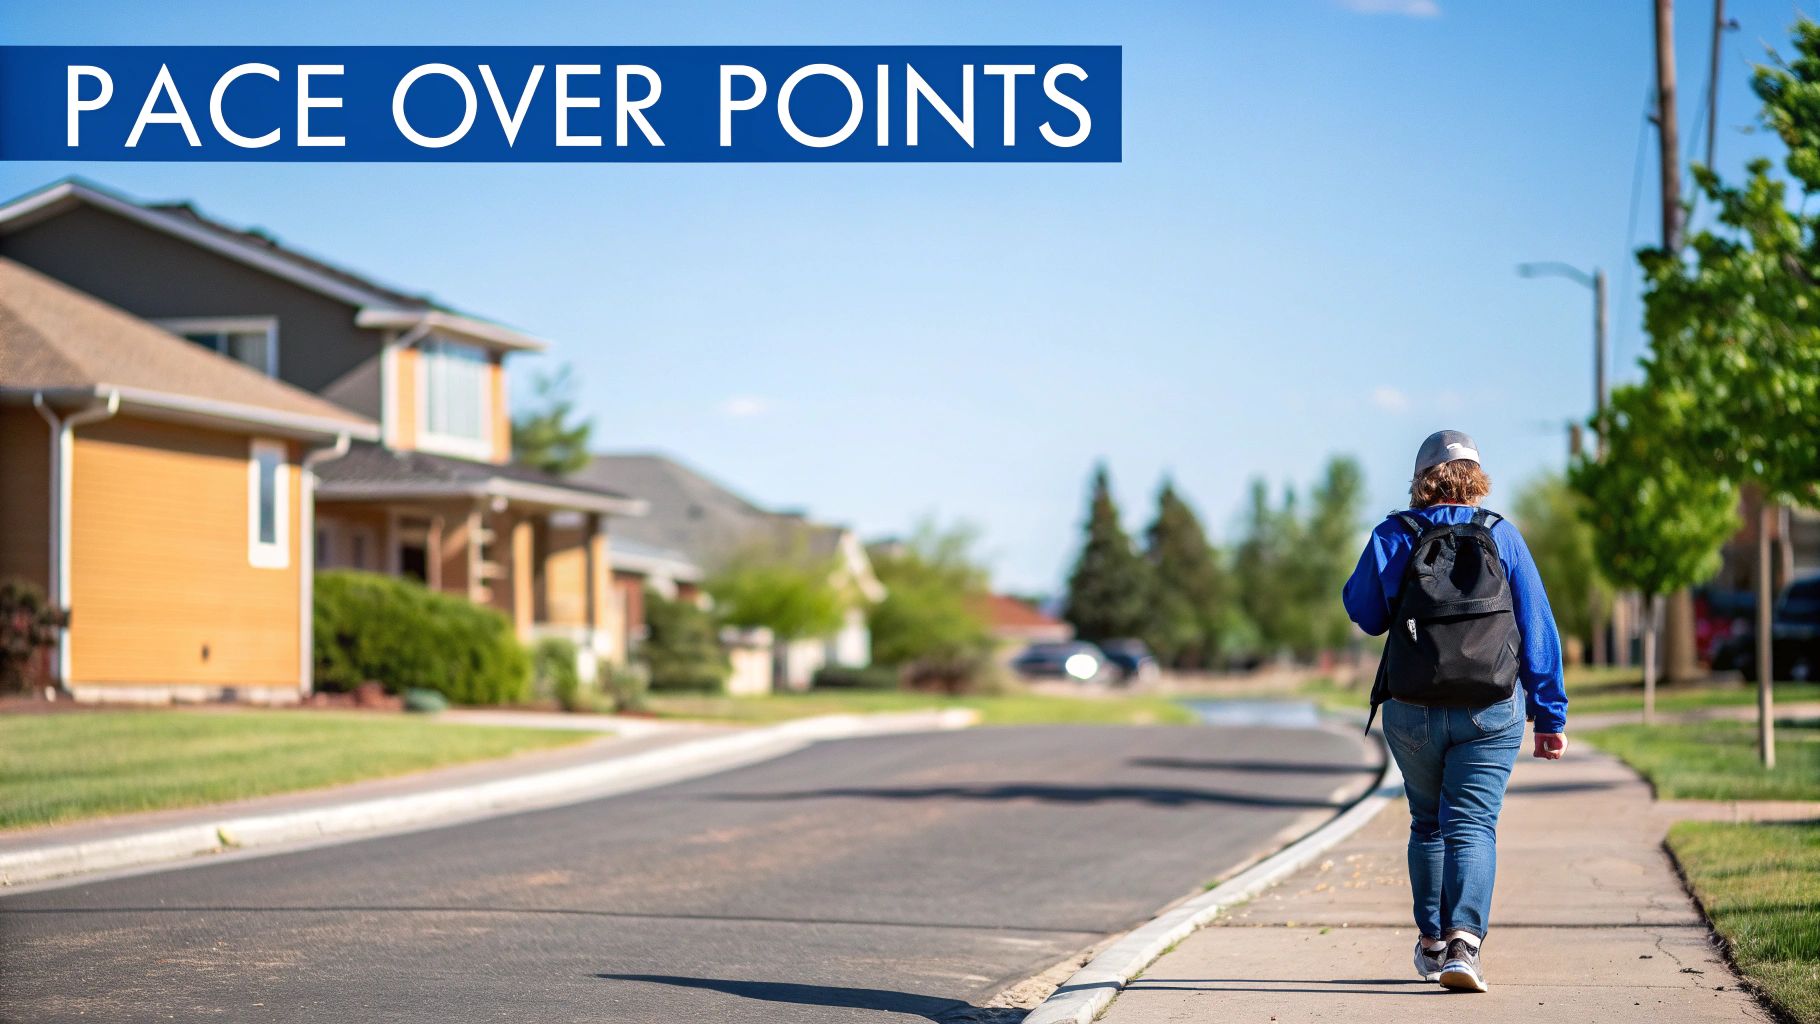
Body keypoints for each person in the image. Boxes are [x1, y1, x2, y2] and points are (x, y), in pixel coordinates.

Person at [1342, 430, 1568, 993]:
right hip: (1491, 709)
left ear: (1421, 479)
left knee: (1428, 822)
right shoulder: (1502, 535)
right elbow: (1538, 627)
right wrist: (1550, 716)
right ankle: (1464, 945)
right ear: (1476, 478)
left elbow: (1364, 613)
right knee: (1472, 825)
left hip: (1411, 709)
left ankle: (1432, 943)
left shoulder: (1394, 534)